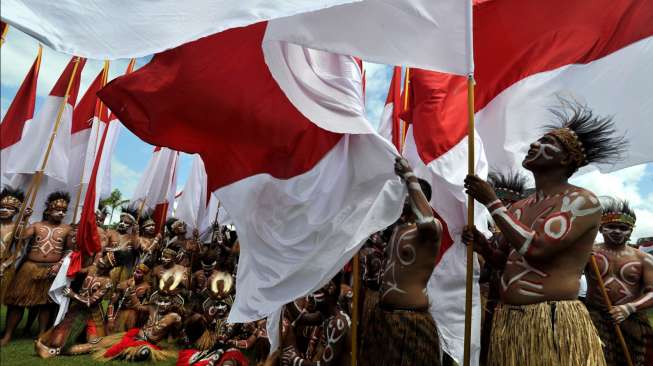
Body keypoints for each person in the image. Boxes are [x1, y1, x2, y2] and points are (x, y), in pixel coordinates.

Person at [464, 101, 627, 365]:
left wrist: (492, 203)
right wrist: (483, 246)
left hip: (552, 321)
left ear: (565, 158)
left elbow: (537, 250)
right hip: (510, 322)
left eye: (546, 143)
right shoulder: (518, 207)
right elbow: (505, 261)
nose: (533, 145)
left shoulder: (582, 201)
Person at [360, 157, 442, 366]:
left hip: (411, 322)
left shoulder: (431, 230)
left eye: (407, 195)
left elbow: (426, 221)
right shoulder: (397, 229)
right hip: (384, 318)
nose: (402, 199)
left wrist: (409, 177)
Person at [465, 171, 528, 365]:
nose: (504, 208)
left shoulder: (527, 233)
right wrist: (483, 248)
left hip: (521, 311)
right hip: (495, 305)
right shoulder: (495, 237)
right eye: (500, 202)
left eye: (509, 203)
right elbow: (493, 267)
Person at [585, 198, 653, 366]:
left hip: (631, 319)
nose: (617, 231)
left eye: (623, 228)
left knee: (631, 360)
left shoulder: (644, 259)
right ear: (601, 228)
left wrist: (629, 308)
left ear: (630, 232)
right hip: (595, 317)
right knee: (597, 360)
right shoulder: (588, 252)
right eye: (611, 227)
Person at [2, 191, 74, 345]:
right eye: (57, 209)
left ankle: (41, 335)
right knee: (16, 302)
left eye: (63, 210)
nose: (61, 213)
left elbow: (69, 250)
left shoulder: (67, 229)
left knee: (45, 304)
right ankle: (8, 334)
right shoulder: (36, 225)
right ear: (48, 210)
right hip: (29, 269)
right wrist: (24, 219)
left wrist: (58, 265)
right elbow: (19, 238)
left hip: (50, 271)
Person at [34, 251, 125, 358]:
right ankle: (56, 347)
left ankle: (52, 353)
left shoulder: (107, 282)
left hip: (92, 314)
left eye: (105, 261)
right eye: (103, 257)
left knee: (94, 343)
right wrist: (63, 265)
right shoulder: (92, 268)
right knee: (55, 341)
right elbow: (76, 270)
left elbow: (90, 302)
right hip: (76, 310)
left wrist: (73, 295)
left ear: (110, 267)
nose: (101, 260)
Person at [282, 276, 352, 366]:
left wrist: (295, 360)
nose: (309, 297)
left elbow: (325, 365)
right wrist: (285, 297)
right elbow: (301, 318)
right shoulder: (327, 315)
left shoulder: (338, 323)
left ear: (331, 289)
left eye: (315, 291)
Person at [107, 263, 152, 333]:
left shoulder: (147, 288)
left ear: (145, 275)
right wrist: (110, 319)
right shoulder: (123, 285)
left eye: (139, 273)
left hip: (134, 314)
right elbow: (112, 302)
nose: (136, 274)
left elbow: (146, 307)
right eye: (135, 271)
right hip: (120, 312)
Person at [0, 187, 25, 303]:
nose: (4, 210)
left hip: (4, 266)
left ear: (15, 211)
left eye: (9, 208)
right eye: (2, 207)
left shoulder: (18, 228)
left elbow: (19, 251)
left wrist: (4, 265)